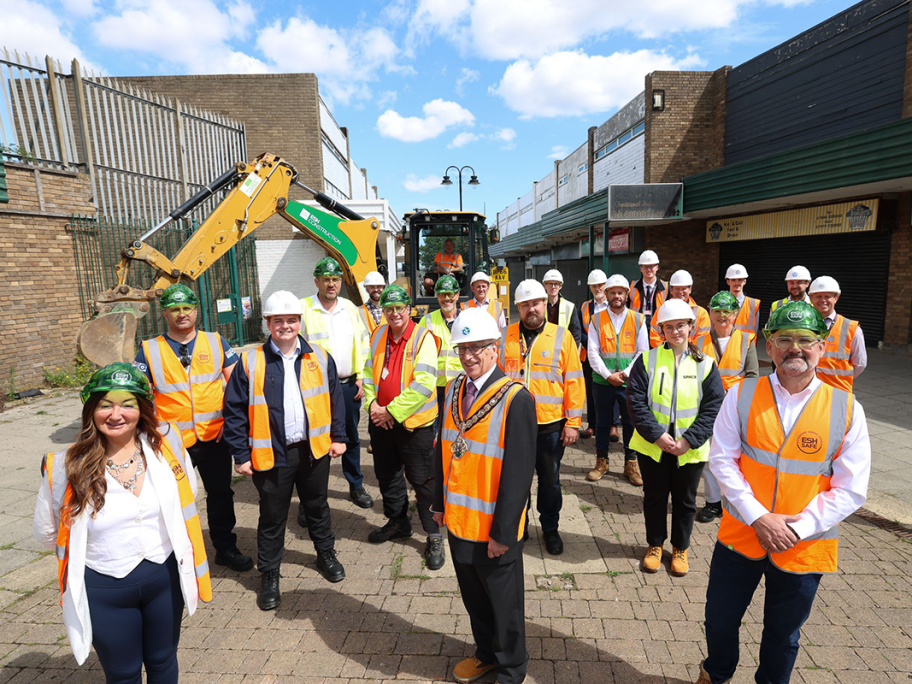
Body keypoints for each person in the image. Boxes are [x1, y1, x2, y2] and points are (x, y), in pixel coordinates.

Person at [696, 301, 870, 684]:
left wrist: (797, 527)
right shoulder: (741, 394)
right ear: (768, 346)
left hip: (803, 545)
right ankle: (717, 672)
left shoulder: (846, 408)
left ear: (821, 347)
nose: (796, 348)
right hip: (741, 535)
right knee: (720, 618)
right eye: (784, 339)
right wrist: (760, 518)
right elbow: (722, 460)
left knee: (783, 634)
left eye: (806, 340)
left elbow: (852, 488)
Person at [33, 363, 210, 681]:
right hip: (104, 587)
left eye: (127, 405)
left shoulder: (167, 447)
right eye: (105, 405)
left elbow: (187, 496)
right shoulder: (63, 467)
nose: (116, 415)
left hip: (164, 578)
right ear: (91, 410)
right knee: (123, 673)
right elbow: (48, 533)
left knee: (163, 661)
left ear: (142, 409)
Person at [223, 291, 347, 611]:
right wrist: (240, 454)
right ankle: (269, 574)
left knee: (317, 507)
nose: (285, 326)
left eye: (291, 320)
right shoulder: (250, 361)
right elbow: (234, 411)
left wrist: (339, 436)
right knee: (272, 517)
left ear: (299, 322)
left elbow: (335, 398)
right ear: (268, 323)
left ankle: (325, 555)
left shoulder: (318, 356)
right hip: (272, 455)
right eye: (278, 320)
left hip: (314, 449)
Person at [433, 308, 536, 684]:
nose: (469, 356)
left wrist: (503, 533)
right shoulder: (455, 388)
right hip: (460, 520)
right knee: (475, 599)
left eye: (477, 347)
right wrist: (437, 504)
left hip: (494, 529)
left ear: (495, 348)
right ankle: (486, 654)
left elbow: (519, 474)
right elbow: (442, 448)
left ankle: (511, 667)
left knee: (505, 605)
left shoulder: (515, 398)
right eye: (463, 348)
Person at [133, 283, 252, 573]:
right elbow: (139, 398)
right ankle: (178, 554)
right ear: (164, 313)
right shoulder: (149, 349)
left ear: (196, 311)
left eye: (187, 308)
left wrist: (233, 424)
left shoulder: (215, 342)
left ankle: (225, 548)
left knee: (221, 494)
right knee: (173, 500)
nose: (181, 314)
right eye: (174, 309)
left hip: (214, 437)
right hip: (172, 443)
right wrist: (150, 434)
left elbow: (238, 388)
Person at [628, 299, 724, 576]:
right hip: (652, 446)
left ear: (691, 327)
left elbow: (713, 406)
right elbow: (635, 402)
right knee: (654, 497)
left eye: (680, 325)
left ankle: (680, 548)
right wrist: (657, 435)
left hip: (689, 448)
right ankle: (655, 545)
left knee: (685, 500)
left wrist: (689, 440)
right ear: (661, 330)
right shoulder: (647, 360)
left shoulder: (705, 364)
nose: (675, 331)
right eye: (668, 327)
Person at [363, 284, 445, 570]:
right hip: (382, 422)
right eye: (389, 309)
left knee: (423, 481)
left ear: (409, 309)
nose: (394, 313)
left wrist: (390, 412)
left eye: (399, 308)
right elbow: (368, 374)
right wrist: (372, 405)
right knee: (387, 477)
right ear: (383, 311)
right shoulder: (377, 334)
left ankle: (433, 534)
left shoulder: (424, 338)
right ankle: (398, 522)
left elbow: (423, 384)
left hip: (414, 425)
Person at [499, 279, 584, 555]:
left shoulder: (562, 336)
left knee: (549, 482)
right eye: (524, 305)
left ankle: (550, 529)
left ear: (544, 304)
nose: (530, 309)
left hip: (550, 427)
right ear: (518, 308)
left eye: (535, 303)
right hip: (514, 426)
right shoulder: (505, 336)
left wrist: (573, 423)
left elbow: (573, 381)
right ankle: (519, 526)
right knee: (516, 480)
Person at [300, 256, 373, 510]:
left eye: (335, 279)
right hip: (315, 391)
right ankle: (310, 500)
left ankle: (355, 485)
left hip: (348, 386)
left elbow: (364, 343)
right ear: (316, 281)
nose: (331, 284)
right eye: (326, 279)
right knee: (315, 441)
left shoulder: (350, 308)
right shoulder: (304, 308)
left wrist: (362, 376)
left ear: (341, 282)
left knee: (351, 438)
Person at [695, 291, 759, 524]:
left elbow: (752, 377)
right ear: (710, 313)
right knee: (710, 458)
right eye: (717, 311)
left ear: (735, 314)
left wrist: (735, 399)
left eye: (728, 311)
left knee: (739, 457)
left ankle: (740, 502)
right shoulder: (699, 341)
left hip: (735, 409)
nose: (722, 316)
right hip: (708, 409)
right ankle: (713, 504)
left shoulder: (746, 339)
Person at [586, 274, 648, 485]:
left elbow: (643, 351)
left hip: (630, 382)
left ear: (626, 294)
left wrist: (626, 373)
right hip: (603, 381)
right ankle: (601, 461)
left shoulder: (638, 319)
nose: (616, 296)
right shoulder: (596, 319)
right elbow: (592, 352)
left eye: (620, 292)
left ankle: (631, 464)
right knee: (602, 423)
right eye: (612, 292)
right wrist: (608, 375)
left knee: (631, 423)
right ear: (606, 294)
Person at [809, 276, 867, 390]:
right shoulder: (802, 325)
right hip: (807, 392)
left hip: (837, 391)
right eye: (818, 296)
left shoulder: (852, 329)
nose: (823, 300)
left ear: (836, 297)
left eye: (827, 296)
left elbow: (860, 364)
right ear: (811, 298)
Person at [419, 274, 463, 415]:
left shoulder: (467, 320)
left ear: (457, 295)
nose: (446, 299)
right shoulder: (427, 321)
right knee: (435, 426)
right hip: (435, 386)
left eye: (449, 294)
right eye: (442, 295)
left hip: (462, 384)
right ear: (437, 296)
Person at [579, 269, 608, 439]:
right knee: (591, 391)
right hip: (588, 355)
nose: (598, 288)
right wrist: (592, 347)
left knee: (611, 389)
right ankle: (592, 425)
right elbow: (581, 330)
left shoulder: (612, 306)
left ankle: (612, 425)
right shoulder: (584, 306)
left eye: (600, 285)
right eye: (594, 285)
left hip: (609, 355)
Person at [648, 269, 711, 348]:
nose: (680, 292)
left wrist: (686, 353)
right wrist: (668, 352)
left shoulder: (701, 313)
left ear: (690, 289)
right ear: (671, 290)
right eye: (677, 289)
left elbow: (702, 340)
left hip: (692, 357)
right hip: (666, 356)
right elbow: (655, 337)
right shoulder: (660, 311)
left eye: (684, 288)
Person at [542, 268, 582, 347]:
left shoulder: (569, 307)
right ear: (545, 286)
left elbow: (576, 333)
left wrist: (572, 350)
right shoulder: (539, 306)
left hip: (563, 348)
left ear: (560, 286)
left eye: (556, 284)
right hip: (543, 348)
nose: (553, 287)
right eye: (550, 283)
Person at [628, 249, 667, 329]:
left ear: (657, 267)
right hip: (637, 329)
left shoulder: (666, 287)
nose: (649, 270)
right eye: (645, 267)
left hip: (658, 331)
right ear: (640, 268)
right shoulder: (632, 287)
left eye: (651, 266)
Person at [725, 264, 761, 335]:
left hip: (745, 344)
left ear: (744, 281)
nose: (737, 283)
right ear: (728, 282)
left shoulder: (753, 304)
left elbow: (755, 330)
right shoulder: (720, 302)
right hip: (725, 344)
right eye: (733, 280)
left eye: (740, 280)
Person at [360, 270, 386, 336]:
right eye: (372, 287)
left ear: (383, 288)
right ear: (366, 289)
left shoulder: (390, 309)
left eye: (379, 286)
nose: (376, 290)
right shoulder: (359, 311)